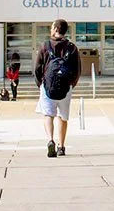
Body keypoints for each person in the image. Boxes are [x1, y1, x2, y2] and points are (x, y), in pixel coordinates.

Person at [34, 19, 80, 157]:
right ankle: (61, 146)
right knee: (63, 117)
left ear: (55, 29)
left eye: (51, 27)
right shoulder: (72, 47)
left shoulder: (45, 46)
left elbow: (37, 68)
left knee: (48, 115)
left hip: (48, 86)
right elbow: (77, 69)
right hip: (65, 87)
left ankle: (50, 140)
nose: (50, 29)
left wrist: (40, 84)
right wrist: (71, 84)